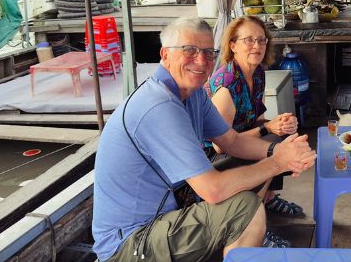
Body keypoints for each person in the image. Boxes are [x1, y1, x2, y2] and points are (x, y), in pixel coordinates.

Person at [92, 16, 316, 261]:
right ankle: (248, 238)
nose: (201, 61)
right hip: (132, 242)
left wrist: (281, 151)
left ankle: (244, 239)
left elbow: (232, 141)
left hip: (173, 201)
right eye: (189, 50)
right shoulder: (158, 105)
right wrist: (277, 163)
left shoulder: (193, 93)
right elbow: (213, 189)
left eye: (209, 53)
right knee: (245, 210)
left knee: (255, 161)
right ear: (164, 54)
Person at [205, 17, 301, 225]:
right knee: (269, 149)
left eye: (261, 40)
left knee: (280, 136)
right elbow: (219, 146)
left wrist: (280, 123)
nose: (257, 45)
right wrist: (268, 127)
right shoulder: (227, 86)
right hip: (210, 158)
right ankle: (250, 223)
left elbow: (257, 119)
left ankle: (268, 198)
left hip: (236, 141)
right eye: (248, 40)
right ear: (233, 45)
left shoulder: (257, 73)